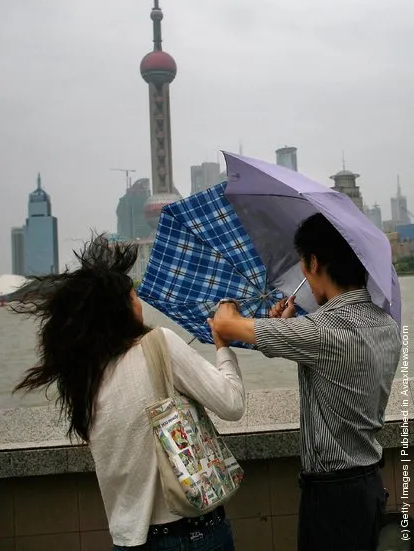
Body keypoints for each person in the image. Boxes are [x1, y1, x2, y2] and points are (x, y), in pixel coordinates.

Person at [13, 236, 245, 551]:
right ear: (118, 309)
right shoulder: (158, 342)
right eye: (133, 295)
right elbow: (231, 403)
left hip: (127, 541)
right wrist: (223, 346)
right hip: (190, 535)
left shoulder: (83, 379)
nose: (138, 302)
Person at [211, 213, 401, 551]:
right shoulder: (385, 323)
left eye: (302, 263)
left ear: (314, 262)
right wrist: (288, 328)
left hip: (333, 497)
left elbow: (228, 325)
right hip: (370, 484)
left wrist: (226, 306)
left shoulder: (323, 331)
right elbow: (329, 358)